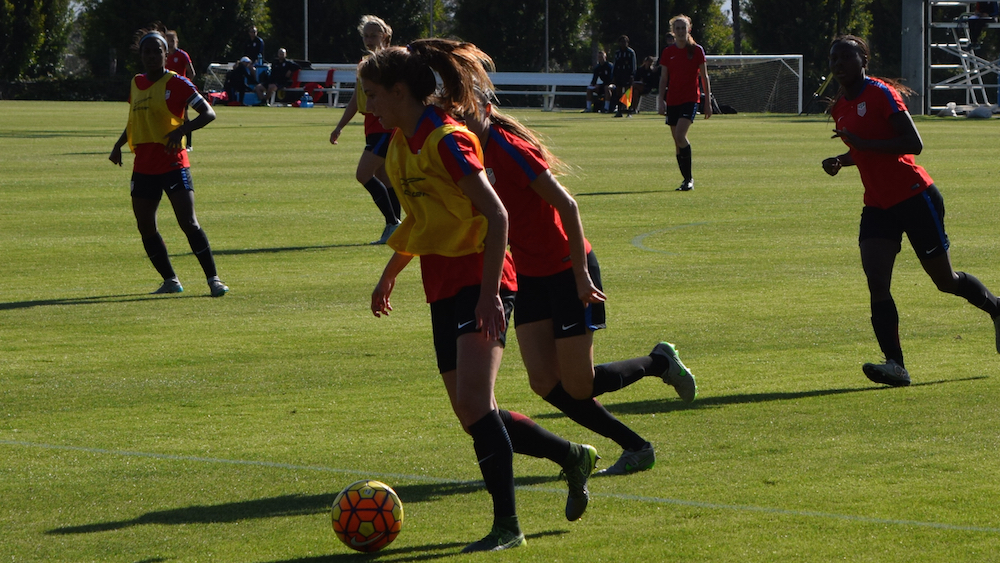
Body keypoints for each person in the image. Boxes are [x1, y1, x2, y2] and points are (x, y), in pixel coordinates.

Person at [364, 39, 597, 553]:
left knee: (474, 402)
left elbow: (497, 216)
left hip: (482, 279)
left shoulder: (449, 140)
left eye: (375, 95)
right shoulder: (401, 143)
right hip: (441, 283)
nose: (369, 105)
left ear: (400, 92)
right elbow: (425, 220)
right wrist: (391, 272)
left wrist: (491, 295)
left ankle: (507, 527)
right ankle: (571, 456)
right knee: (474, 411)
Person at [461, 91, 697, 476]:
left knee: (580, 386)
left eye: (466, 113)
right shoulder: (466, 153)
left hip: (568, 269)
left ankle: (659, 362)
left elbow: (568, 205)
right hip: (529, 276)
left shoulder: (510, 148)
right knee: (542, 381)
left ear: (487, 110)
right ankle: (635, 446)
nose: (461, 122)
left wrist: (581, 274)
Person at [822, 35, 1000, 386]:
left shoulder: (881, 93)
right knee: (877, 283)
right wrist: (843, 160)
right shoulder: (839, 105)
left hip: (915, 196)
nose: (838, 64)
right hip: (877, 204)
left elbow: (912, 144)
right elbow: (863, 152)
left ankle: (996, 307)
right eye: (833, 59)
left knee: (945, 281)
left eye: (846, 57)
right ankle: (896, 366)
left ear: (864, 61)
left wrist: (862, 145)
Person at [108, 25, 228, 298]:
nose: (152, 56)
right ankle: (170, 280)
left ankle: (214, 279)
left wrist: (181, 131)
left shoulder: (178, 82)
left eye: (157, 51)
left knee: (188, 222)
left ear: (166, 54)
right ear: (142, 55)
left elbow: (208, 114)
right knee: (145, 225)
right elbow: (135, 122)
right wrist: (118, 146)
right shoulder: (136, 84)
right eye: (147, 52)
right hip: (144, 166)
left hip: (174, 163)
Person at [330, 15, 401, 245]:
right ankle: (395, 227)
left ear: (385, 36)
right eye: (366, 36)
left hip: (384, 125)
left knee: (364, 174)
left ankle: (394, 223)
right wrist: (340, 126)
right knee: (384, 176)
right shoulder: (365, 63)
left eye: (374, 35)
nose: (369, 40)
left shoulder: (390, 62)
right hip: (371, 125)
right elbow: (355, 99)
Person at [658, 14, 712, 192]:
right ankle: (684, 180)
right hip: (673, 100)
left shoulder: (697, 50)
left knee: (681, 136)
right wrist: (661, 100)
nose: (681, 31)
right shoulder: (668, 53)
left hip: (690, 99)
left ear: (689, 29)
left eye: (684, 28)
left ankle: (689, 179)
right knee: (676, 141)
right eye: (677, 28)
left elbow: (704, 77)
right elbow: (664, 78)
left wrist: (708, 102)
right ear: (673, 31)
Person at [164, 30, 196, 150]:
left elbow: (191, 73)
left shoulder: (182, 55)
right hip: (166, 91)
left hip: (179, 91)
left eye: (172, 40)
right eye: (168, 41)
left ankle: (188, 144)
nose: (170, 43)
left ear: (176, 41)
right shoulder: (164, 56)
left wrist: (185, 86)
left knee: (184, 117)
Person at [608, 35, 637, 118]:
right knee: (618, 93)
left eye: (625, 42)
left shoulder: (630, 52)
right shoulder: (618, 53)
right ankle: (619, 110)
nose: (623, 44)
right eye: (621, 42)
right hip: (619, 75)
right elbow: (615, 65)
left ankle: (629, 111)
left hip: (627, 75)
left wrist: (632, 75)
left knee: (628, 93)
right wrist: (613, 76)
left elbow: (633, 65)